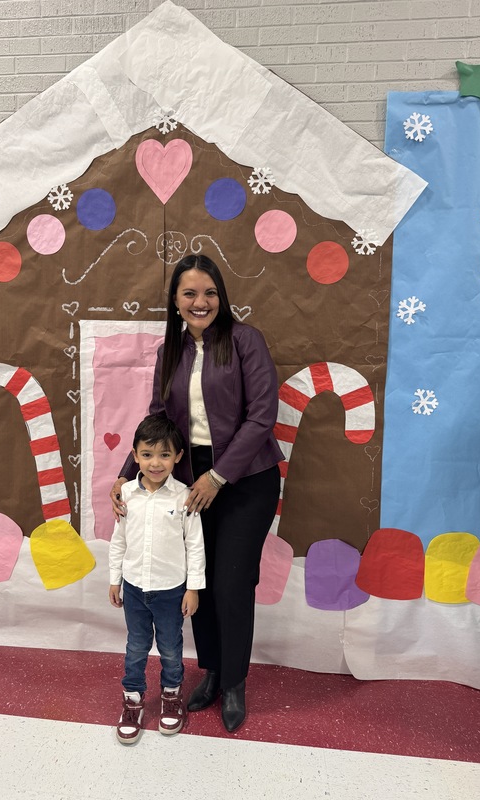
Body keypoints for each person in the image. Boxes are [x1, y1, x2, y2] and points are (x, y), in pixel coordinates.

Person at [111, 254, 282, 733]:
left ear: (221, 296)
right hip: (191, 481)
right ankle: (210, 672)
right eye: (189, 293)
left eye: (209, 292)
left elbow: (261, 416)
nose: (200, 302)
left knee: (231, 584)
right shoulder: (172, 352)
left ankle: (234, 683)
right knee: (199, 581)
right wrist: (127, 474)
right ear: (175, 301)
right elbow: (158, 416)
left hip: (246, 478)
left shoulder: (246, 341)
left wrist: (219, 476)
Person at [108, 413, 205, 745]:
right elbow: (119, 540)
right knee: (136, 647)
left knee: (169, 646)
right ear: (134, 455)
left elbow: (195, 545)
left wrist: (193, 588)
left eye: (165, 454)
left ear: (178, 456)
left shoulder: (184, 497)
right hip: (134, 588)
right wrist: (114, 579)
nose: (155, 463)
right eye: (147, 454)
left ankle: (171, 695)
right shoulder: (127, 496)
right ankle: (132, 700)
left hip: (170, 592)